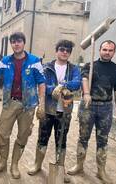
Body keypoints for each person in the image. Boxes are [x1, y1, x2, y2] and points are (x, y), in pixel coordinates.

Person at [0, 32, 46, 179]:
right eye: (13, 42)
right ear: (11, 44)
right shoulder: (5, 61)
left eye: (19, 41)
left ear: (24, 43)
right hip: (10, 103)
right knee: (2, 133)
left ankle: (14, 165)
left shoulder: (34, 61)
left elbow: (41, 82)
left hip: (28, 106)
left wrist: (42, 104)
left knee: (23, 135)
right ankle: (2, 163)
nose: (16, 44)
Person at [67, 40, 116, 184]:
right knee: (83, 137)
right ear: (100, 50)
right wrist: (86, 93)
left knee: (103, 140)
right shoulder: (90, 66)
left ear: (114, 52)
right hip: (88, 106)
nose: (107, 52)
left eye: (110, 50)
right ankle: (79, 166)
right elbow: (84, 79)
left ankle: (101, 170)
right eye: (105, 49)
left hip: (105, 108)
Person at [27, 40, 81, 183]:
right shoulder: (46, 68)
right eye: (62, 49)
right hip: (48, 109)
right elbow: (42, 84)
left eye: (67, 50)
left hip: (64, 111)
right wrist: (54, 90)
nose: (64, 52)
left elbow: (77, 83)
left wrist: (62, 86)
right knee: (42, 138)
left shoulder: (74, 69)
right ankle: (37, 165)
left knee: (61, 140)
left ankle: (60, 168)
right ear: (56, 51)